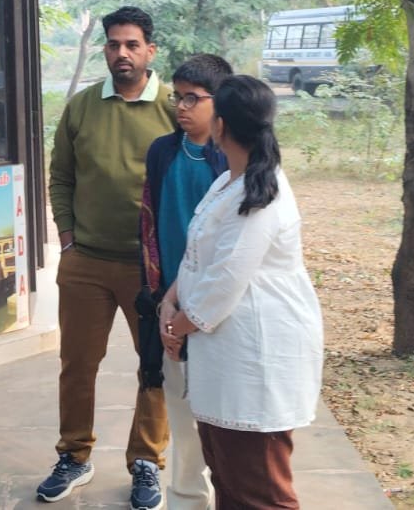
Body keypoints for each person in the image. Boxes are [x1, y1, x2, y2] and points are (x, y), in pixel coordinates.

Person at [159, 75, 324, 509]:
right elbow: (200, 256)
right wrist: (169, 301)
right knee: (229, 481)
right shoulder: (228, 183)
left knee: (260, 492)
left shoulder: (260, 193)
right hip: (223, 357)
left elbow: (226, 280)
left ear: (221, 125)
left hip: (254, 360)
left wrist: (177, 327)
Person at [42, 6, 176, 509]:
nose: (123, 53)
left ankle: (146, 461)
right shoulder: (81, 107)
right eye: (114, 44)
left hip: (151, 268)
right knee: (77, 364)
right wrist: (67, 237)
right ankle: (74, 455)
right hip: (86, 262)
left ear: (150, 51)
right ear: (105, 49)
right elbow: (61, 176)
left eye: (132, 45)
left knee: (154, 366)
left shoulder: (172, 107)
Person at [136, 54, 233, 510]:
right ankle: (188, 498)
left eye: (193, 98)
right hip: (170, 302)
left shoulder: (232, 160)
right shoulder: (162, 151)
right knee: (178, 407)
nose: (181, 106)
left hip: (218, 308)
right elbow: (149, 225)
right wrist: (162, 301)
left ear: (221, 102)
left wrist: (199, 309)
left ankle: (230, 495)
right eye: (178, 96)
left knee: (221, 418)